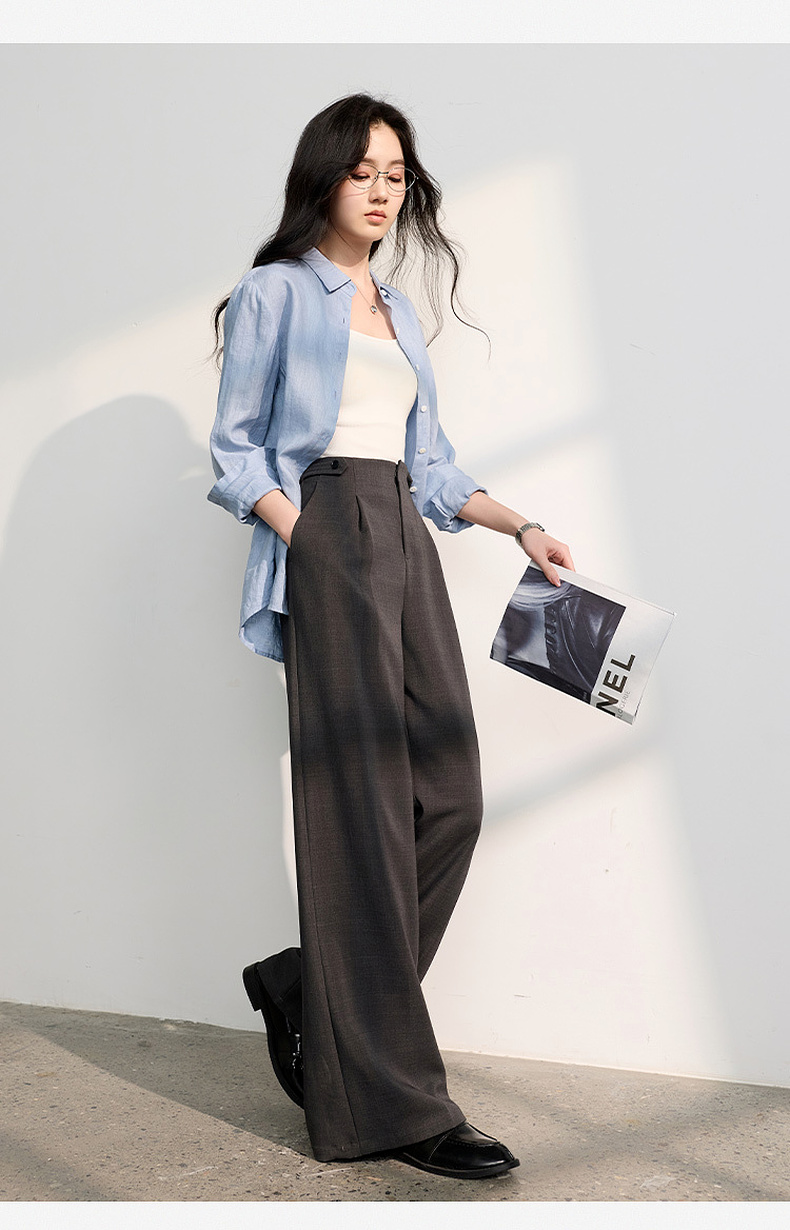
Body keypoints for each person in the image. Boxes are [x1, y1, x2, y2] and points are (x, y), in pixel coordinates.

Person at [207, 93, 574, 1180]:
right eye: (362, 170)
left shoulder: (400, 310)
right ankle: (395, 1105)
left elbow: (431, 465)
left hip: (405, 542)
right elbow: (235, 451)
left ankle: (308, 986)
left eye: (396, 174)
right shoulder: (276, 292)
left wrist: (521, 525)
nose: (381, 190)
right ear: (322, 178)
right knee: (359, 817)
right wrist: (308, 540)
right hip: (328, 528)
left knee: (449, 798)